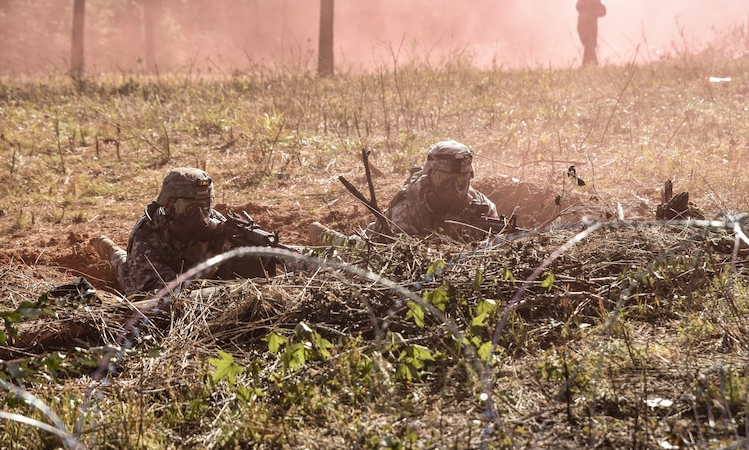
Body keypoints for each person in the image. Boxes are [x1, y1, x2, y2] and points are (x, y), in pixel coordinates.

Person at [92, 167, 286, 298]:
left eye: (205, 206)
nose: (200, 216)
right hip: (155, 273)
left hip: (196, 270)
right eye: (190, 207)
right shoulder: (147, 238)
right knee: (124, 266)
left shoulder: (216, 222)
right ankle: (107, 247)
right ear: (169, 204)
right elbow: (167, 294)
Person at [309, 140, 499, 245]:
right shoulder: (409, 207)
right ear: (429, 177)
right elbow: (404, 258)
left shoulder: (483, 209)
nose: (453, 190)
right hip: (378, 246)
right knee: (351, 250)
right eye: (444, 181)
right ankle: (328, 238)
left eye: (461, 181)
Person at [576, 0, 606, 66]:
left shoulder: (597, 1)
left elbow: (603, 12)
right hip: (584, 28)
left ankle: (587, 65)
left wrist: (594, 12)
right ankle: (593, 64)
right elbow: (578, 7)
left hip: (593, 28)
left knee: (590, 46)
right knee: (589, 45)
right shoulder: (583, 1)